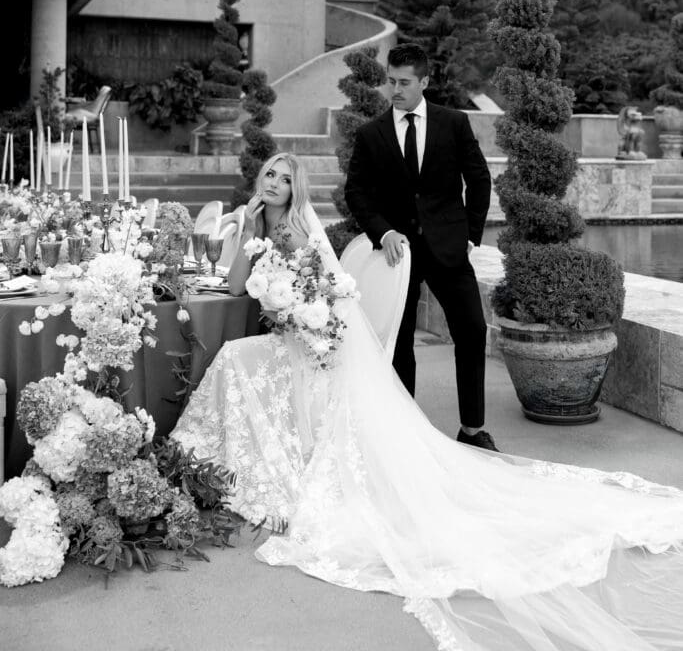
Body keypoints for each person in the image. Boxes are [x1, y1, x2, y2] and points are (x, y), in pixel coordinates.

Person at [171, 152, 683, 651]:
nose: (273, 183)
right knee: (238, 358)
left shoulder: (303, 232)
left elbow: (329, 298)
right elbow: (237, 285)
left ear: (296, 188)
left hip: (313, 342)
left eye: (283, 179)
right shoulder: (257, 224)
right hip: (289, 337)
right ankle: (216, 462)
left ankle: (217, 464)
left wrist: (300, 318)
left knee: (236, 358)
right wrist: (249, 230)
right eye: (268, 175)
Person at [345, 42, 496, 450]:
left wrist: (470, 234)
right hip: (398, 254)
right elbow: (357, 192)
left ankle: (473, 429)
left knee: (472, 330)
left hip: (449, 247)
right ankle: (403, 427)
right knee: (400, 339)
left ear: (424, 81)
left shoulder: (454, 123)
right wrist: (383, 232)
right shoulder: (371, 133)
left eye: (404, 82)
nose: (395, 89)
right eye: (390, 81)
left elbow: (479, 179)